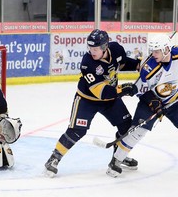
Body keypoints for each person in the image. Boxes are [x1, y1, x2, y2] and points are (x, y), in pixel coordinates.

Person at [44, 29, 140, 177]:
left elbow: (122, 63)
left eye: (95, 48)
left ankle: (119, 157)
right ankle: (54, 159)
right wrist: (123, 89)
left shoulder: (116, 49)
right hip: (87, 100)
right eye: (90, 48)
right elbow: (101, 92)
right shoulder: (88, 62)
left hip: (111, 100)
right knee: (77, 130)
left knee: (126, 126)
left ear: (105, 47)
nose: (92, 51)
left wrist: (140, 65)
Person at [107, 33, 178, 177]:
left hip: (174, 101)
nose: (154, 54)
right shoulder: (148, 67)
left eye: (157, 51)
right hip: (151, 102)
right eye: (152, 50)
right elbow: (140, 89)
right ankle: (115, 161)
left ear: (166, 49)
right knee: (137, 132)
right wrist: (153, 102)